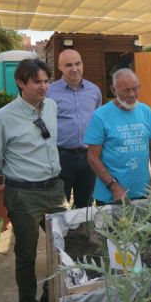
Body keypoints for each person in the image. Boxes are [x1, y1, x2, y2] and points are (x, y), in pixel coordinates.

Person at [0, 58, 67, 302]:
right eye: (37, 82)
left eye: (46, 81)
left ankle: (49, 297)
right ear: (20, 82)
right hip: (24, 194)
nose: (44, 87)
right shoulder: (1, 118)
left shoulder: (51, 106)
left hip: (55, 189)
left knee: (63, 248)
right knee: (27, 255)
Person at [85, 68, 151, 205]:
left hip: (143, 192)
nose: (132, 94)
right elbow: (92, 157)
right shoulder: (100, 116)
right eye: (126, 90)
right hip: (111, 196)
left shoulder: (146, 111)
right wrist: (114, 187)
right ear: (114, 90)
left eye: (135, 89)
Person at [47, 49, 102, 208]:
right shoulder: (49, 92)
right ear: (60, 66)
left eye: (78, 64)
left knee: (85, 204)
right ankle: (63, 233)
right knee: (59, 205)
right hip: (61, 156)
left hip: (89, 157)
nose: (74, 68)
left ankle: (82, 232)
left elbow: (97, 121)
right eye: (69, 65)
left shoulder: (94, 91)